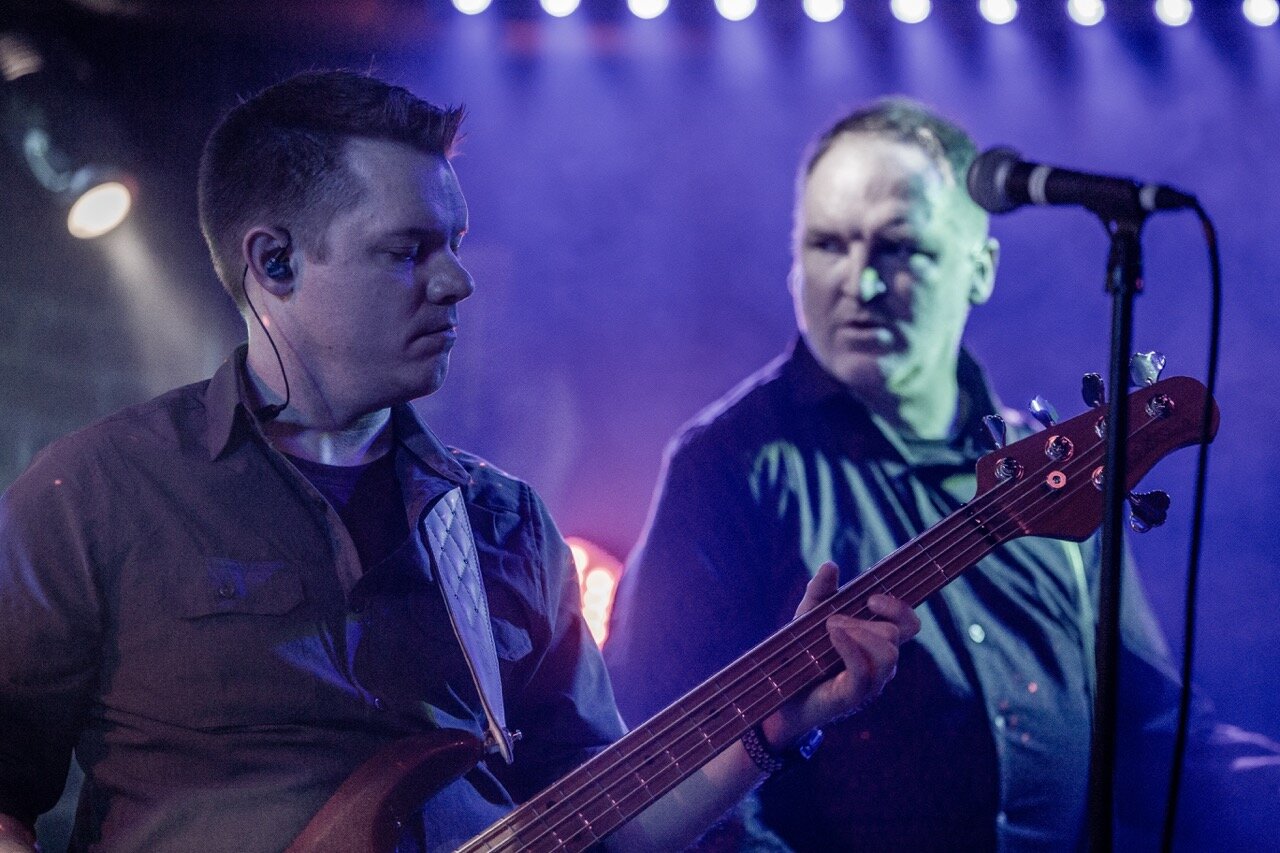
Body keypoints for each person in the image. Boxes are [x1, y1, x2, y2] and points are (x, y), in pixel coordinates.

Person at [0, 72, 921, 853]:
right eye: (409, 250)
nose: (457, 281)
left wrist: (769, 730)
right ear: (273, 263)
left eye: (455, 244)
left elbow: (604, 816)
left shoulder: (505, 524)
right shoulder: (92, 497)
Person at [605, 98, 1280, 851]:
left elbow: (1152, 732)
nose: (859, 283)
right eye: (829, 245)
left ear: (981, 268)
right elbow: (650, 758)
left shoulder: (1053, 468)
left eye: (899, 248)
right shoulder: (730, 467)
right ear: (794, 264)